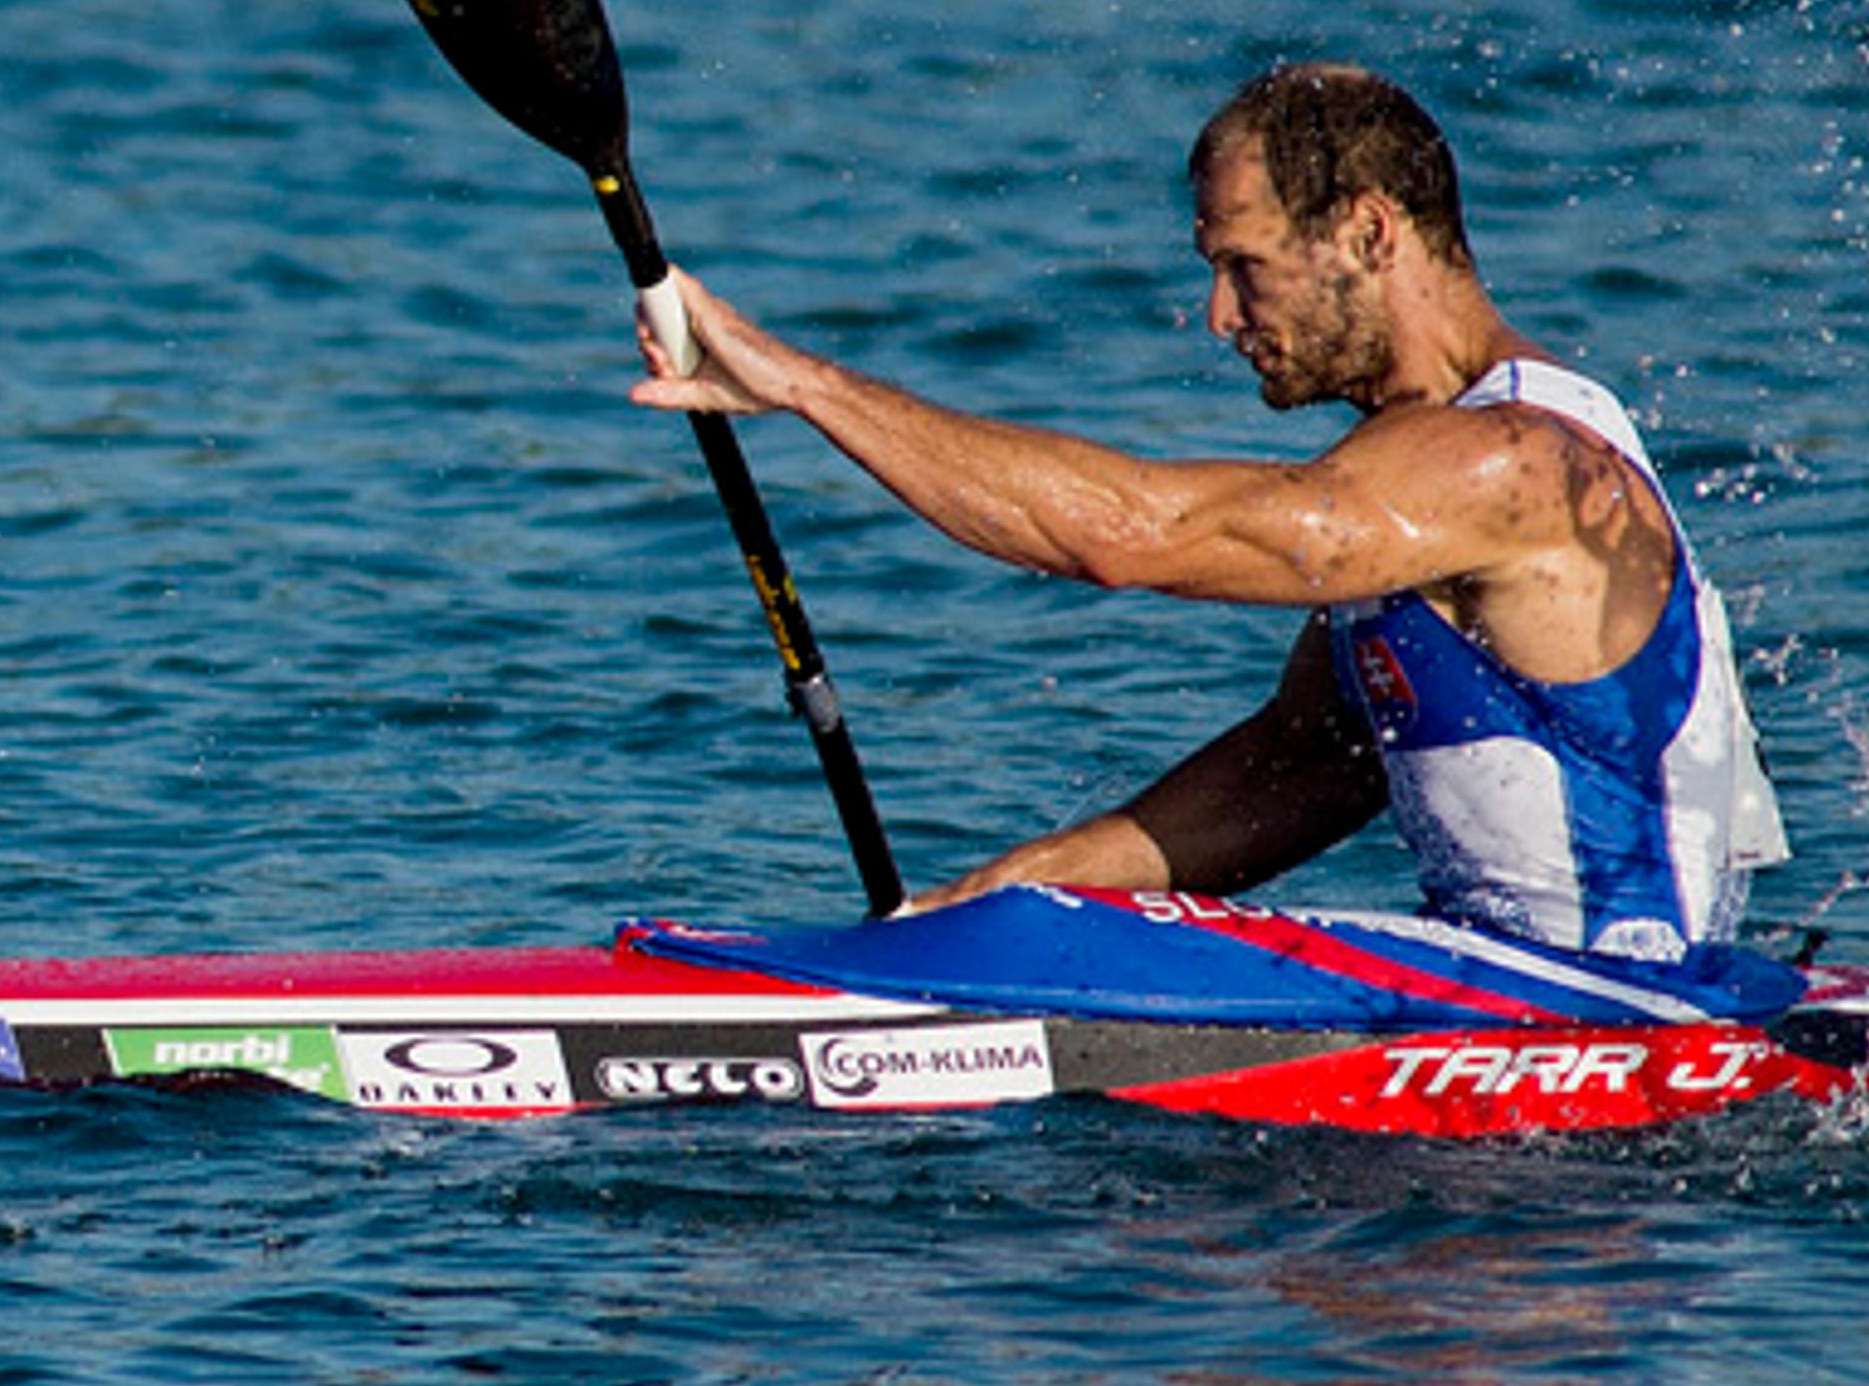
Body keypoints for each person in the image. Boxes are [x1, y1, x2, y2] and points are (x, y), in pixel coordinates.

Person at [632, 62, 1783, 962]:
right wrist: (993, 901)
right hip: (1504, 1010)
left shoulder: (1511, 463)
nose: (1218, 315)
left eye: (1245, 266)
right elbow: (1301, 766)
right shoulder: (1418, 477)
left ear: (1371, 234)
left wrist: (807, 387)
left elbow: (1132, 536)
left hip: (1616, 1036)